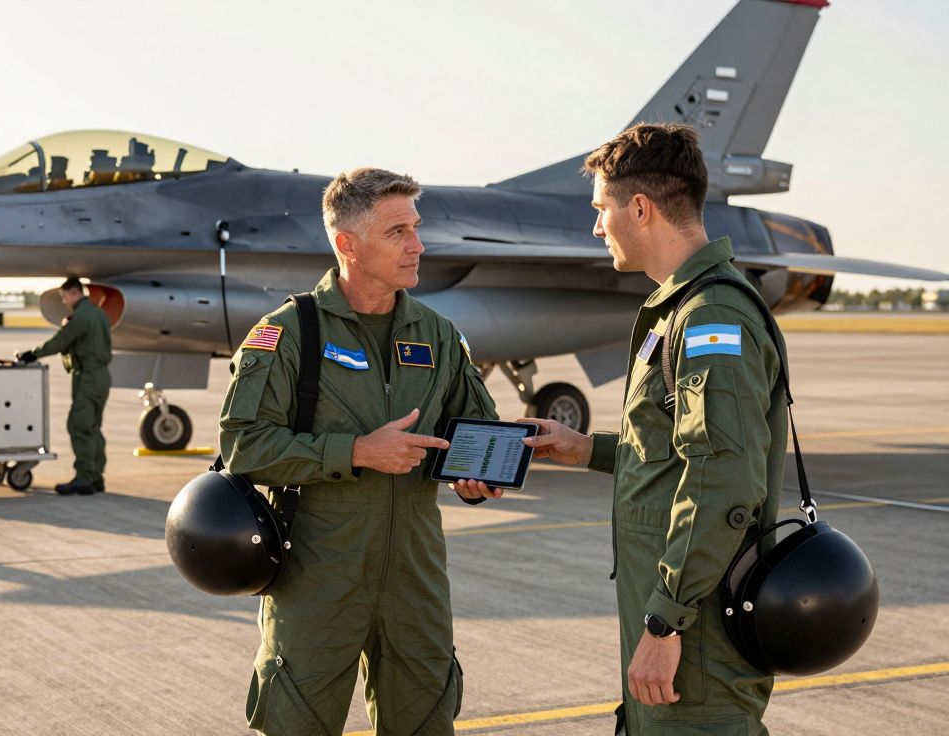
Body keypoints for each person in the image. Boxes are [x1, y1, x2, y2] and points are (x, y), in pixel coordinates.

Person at [521, 123, 788, 735]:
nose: (596, 227)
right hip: (678, 619)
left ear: (639, 208)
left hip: (696, 636)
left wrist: (666, 623)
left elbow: (723, 480)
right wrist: (586, 448)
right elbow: (678, 451)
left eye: (601, 209)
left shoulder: (710, 317)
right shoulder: (683, 307)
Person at [220, 167, 501, 735]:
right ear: (348, 244)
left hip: (415, 581)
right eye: (398, 231)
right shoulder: (288, 333)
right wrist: (356, 452)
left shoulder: (438, 334)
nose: (418, 245)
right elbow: (243, 447)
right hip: (317, 577)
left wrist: (478, 473)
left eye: (416, 228)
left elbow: (475, 427)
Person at [17, 278, 112, 495]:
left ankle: (84, 478)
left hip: (87, 377)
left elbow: (61, 341)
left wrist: (32, 354)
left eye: (65, 297)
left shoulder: (80, 317)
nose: (64, 301)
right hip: (102, 376)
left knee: (79, 425)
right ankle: (96, 477)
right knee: (93, 427)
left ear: (75, 293)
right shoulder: (99, 314)